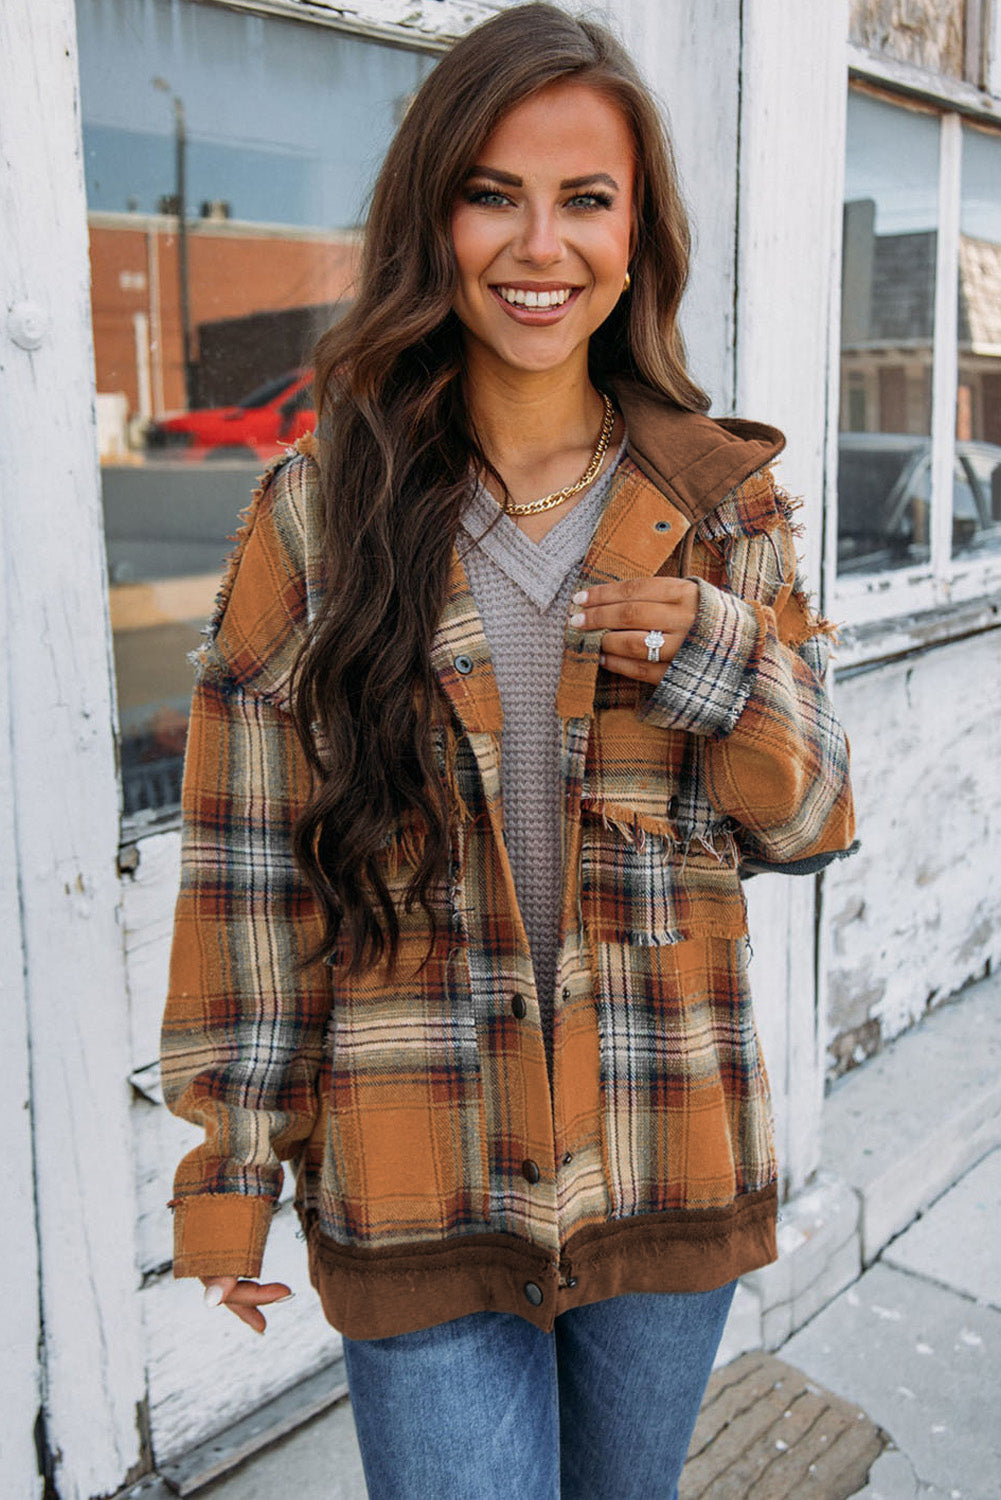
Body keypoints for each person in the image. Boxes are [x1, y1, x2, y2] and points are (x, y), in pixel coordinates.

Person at [159, 5, 857, 1496]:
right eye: (493, 194)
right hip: (417, 1166)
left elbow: (813, 823)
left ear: (636, 236)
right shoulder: (320, 512)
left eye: (584, 199)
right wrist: (229, 1168)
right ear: (435, 220)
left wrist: (722, 658)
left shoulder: (720, 505)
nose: (540, 245)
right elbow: (247, 867)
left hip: (665, 1148)